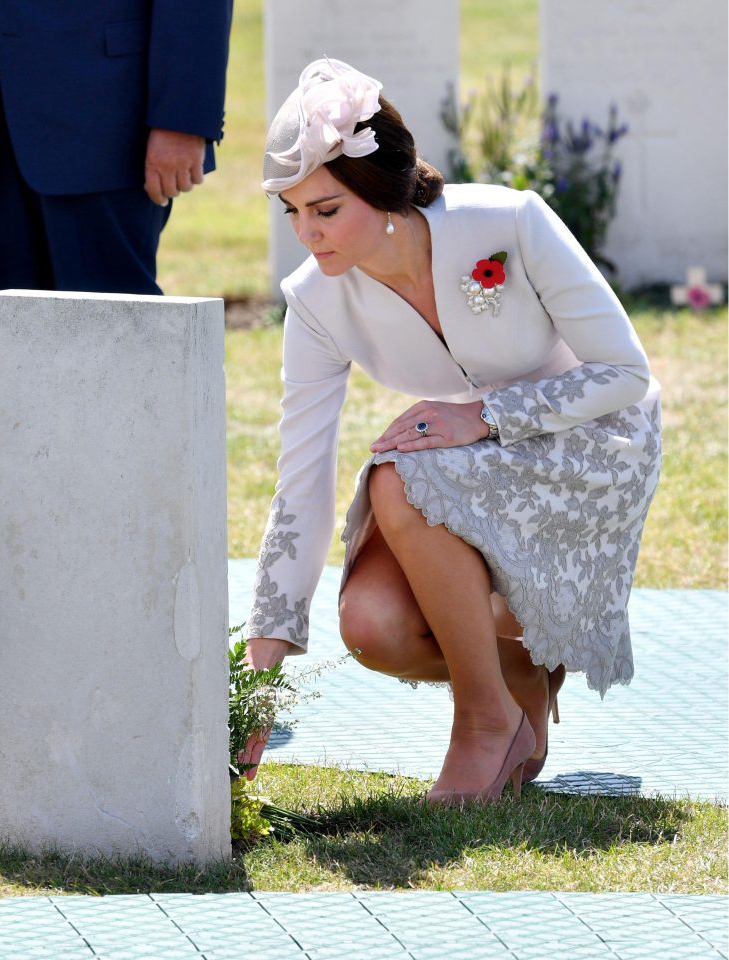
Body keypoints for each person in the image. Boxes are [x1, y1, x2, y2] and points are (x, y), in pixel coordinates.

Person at [240, 58, 662, 803]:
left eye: (327, 210)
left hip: (591, 440)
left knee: (397, 477)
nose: (307, 234)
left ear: (382, 192)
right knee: (371, 624)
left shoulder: (508, 221)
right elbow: (299, 483)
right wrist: (259, 680)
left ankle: (484, 723)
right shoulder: (313, 301)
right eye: (292, 212)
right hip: (477, 463)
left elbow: (626, 374)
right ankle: (517, 672)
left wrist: (483, 417)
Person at [0, 1, 233, 668]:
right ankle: (29, 608)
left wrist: (183, 114)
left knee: (122, 377)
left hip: (106, 119)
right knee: (12, 384)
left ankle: (143, 611)